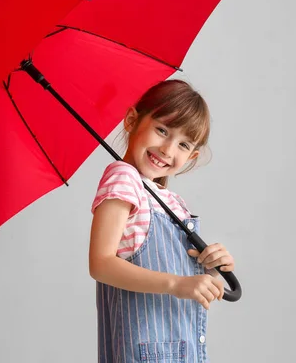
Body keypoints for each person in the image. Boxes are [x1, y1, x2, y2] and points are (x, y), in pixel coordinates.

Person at [88, 79, 235, 363]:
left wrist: (211, 269)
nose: (168, 149)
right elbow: (101, 263)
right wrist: (176, 284)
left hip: (182, 349)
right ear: (132, 120)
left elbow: (171, 268)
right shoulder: (123, 177)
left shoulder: (171, 202)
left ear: (192, 156)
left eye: (183, 144)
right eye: (162, 130)